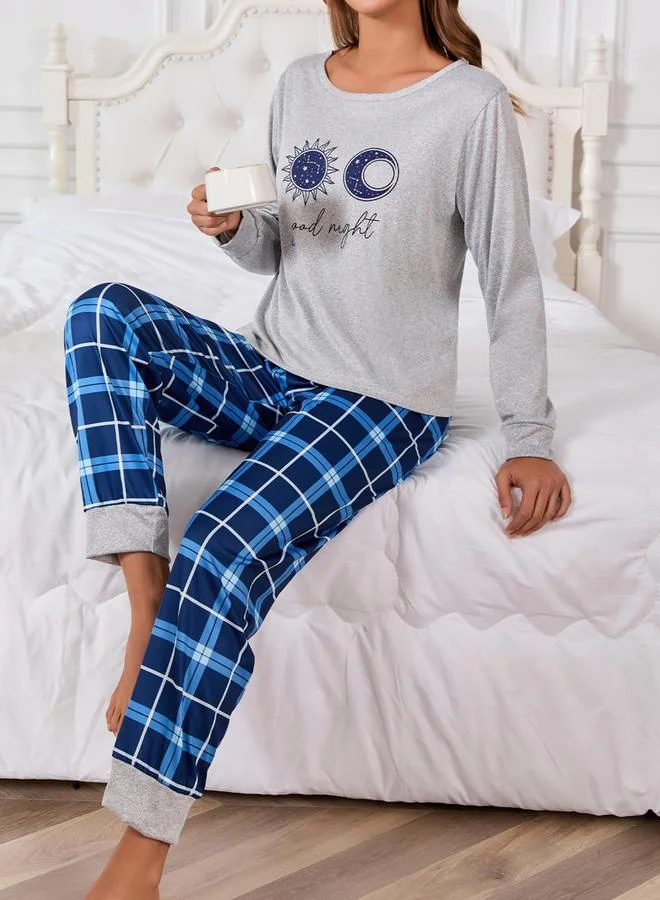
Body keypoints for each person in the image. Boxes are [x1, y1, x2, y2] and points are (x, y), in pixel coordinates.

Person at [64, 0, 571, 895]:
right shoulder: (302, 84)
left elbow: (513, 278)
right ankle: (147, 604)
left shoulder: (471, 104)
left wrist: (529, 434)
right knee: (101, 312)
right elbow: (282, 249)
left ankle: (137, 864)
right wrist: (234, 228)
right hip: (272, 365)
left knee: (223, 543)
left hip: (382, 401)